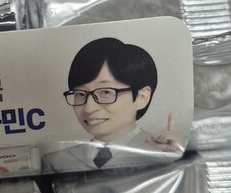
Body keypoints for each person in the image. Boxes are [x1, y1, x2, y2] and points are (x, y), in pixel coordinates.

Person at [42, 37, 182, 173]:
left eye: (105, 92)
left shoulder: (167, 153)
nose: (89, 108)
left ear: (142, 97)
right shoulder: (56, 162)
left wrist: (181, 157)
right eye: (80, 94)